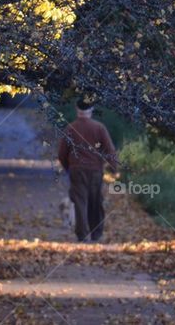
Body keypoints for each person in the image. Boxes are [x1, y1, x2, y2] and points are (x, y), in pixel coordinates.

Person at [57, 99, 118, 242]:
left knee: (80, 202)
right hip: (95, 170)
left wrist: (68, 167)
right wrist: (114, 168)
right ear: (91, 110)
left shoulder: (70, 128)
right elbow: (110, 149)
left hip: (77, 169)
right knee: (96, 201)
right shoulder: (99, 128)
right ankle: (96, 234)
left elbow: (61, 153)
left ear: (76, 109)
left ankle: (82, 234)